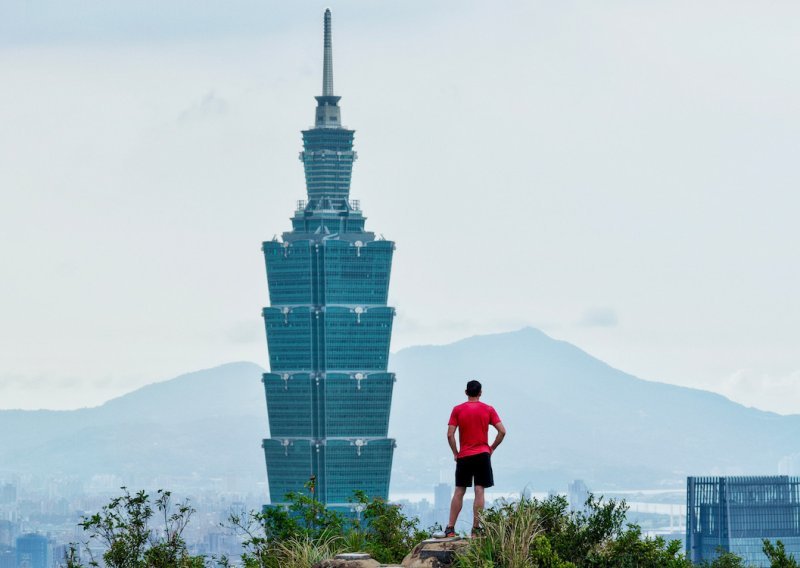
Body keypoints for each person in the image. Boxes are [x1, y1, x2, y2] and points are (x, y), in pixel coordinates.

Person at [444, 379, 506, 538]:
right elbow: (502, 431)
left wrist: (455, 453)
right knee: (479, 490)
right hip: (482, 455)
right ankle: (476, 530)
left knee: (459, 490)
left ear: (466, 392)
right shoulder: (488, 409)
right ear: (480, 393)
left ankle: (450, 528)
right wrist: (492, 448)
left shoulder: (457, 410)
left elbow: (450, 434)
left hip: (464, 455)